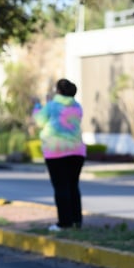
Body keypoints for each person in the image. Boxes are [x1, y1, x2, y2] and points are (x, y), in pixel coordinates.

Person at [32, 78, 87, 231]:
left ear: (58, 91)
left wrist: (37, 106)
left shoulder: (51, 106)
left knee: (61, 187)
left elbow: (39, 121)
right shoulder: (77, 107)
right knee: (73, 187)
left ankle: (64, 223)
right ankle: (77, 221)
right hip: (77, 151)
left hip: (56, 151)